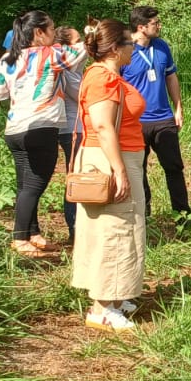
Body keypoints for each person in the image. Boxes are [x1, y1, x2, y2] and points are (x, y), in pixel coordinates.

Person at [71, 18, 147, 331]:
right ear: (115, 49)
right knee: (115, 229)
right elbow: (103, 126)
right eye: (130, 43)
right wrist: (118, 170)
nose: (135, 47)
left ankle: (114, 296)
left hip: (118, 157)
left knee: (122, 227)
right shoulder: (103, 79)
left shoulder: (109, 75)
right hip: (109, 160)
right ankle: (101, 308)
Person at [0, 11, 84, 258]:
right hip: (41, 126)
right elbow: (81, 51)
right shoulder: (52, 54)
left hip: (14, 130)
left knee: (25, 184)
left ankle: (33, 233)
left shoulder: (7, 58)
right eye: (52, 29)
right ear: (38, 33)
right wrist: (91, 34)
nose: (55, 34)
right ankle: (20, 237)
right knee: (34, 185)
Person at [122, 6, 190, 222]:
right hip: (135, 122)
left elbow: (171, 76)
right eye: (155, 23)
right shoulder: (124, 50)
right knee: (137, 169)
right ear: (141, 27)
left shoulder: (161, 46)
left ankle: (182, 214)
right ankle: (144, 214)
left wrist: (178, 107)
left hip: (163, 118)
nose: (159, 26)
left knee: (174, 167)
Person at [54, 25, 85, 242]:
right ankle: (75, 228)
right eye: (77, 40)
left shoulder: (66, 65)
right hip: (74, 127)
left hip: (68, 126)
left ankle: (77, 227)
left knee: (74, 174)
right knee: (75, 176)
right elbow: (79, 94)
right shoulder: (67, 67)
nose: (81, 44)